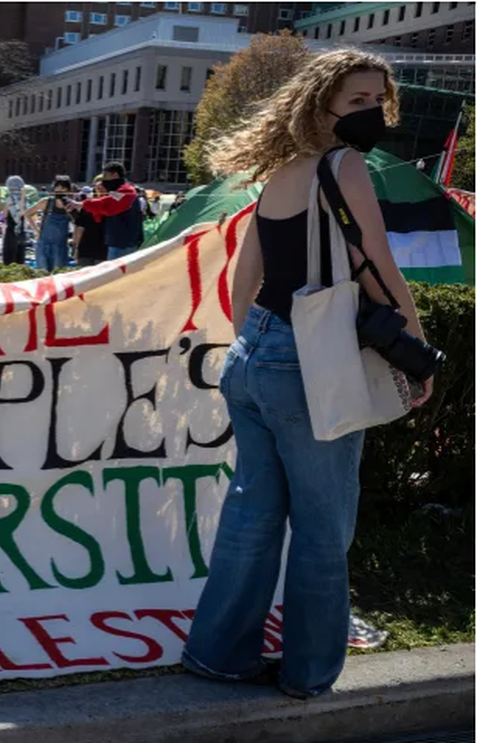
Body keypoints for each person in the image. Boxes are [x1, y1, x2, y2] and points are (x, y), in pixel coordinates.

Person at [182, 49, 434, 701]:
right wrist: (417, 351)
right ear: (320, 106)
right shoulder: (346, 166)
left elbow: (243, 276)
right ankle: (308, 672)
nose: (372, 112)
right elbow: (378, 265)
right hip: (306, 360)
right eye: (357, 101)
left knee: (253, 514)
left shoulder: (279, 171)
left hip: (256, 354)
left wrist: (254, 343)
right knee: (324, 526)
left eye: (378, 100)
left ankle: (217, 654)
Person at [74, 162, 141, 260]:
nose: (104, 180)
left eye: (106, 176)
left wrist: (82, 204)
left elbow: (109, 203)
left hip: (125, 242)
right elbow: (102, 209)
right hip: (115, 241)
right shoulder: (118, 191)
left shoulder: (127, 190)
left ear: (115, 175)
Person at [24, 176, 79, 272]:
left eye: (63, 188)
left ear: (68, 190)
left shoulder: (71, 205)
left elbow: (78, 223)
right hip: (43, 244)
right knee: (42, 274)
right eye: (57, 187)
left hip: (60, 246)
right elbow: (27, 214)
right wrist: (37, 231)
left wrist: (74, 240)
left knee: (58, 274)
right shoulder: (46, 202)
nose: (59, 190)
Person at [71, 186, 106, 267]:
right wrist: (76, 248)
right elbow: (79, 228)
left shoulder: (87, 206)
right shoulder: (87, 207)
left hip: (99, 248)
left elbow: (79, 228)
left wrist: (76, 248)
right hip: (89, 248)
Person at [1, 175, 29, 265]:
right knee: (18, 257)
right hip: (19, 231)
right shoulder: (24, 199)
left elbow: (5, 215)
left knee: (10, 257)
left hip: (11, 231)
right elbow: (21, 213)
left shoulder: (10, 199)